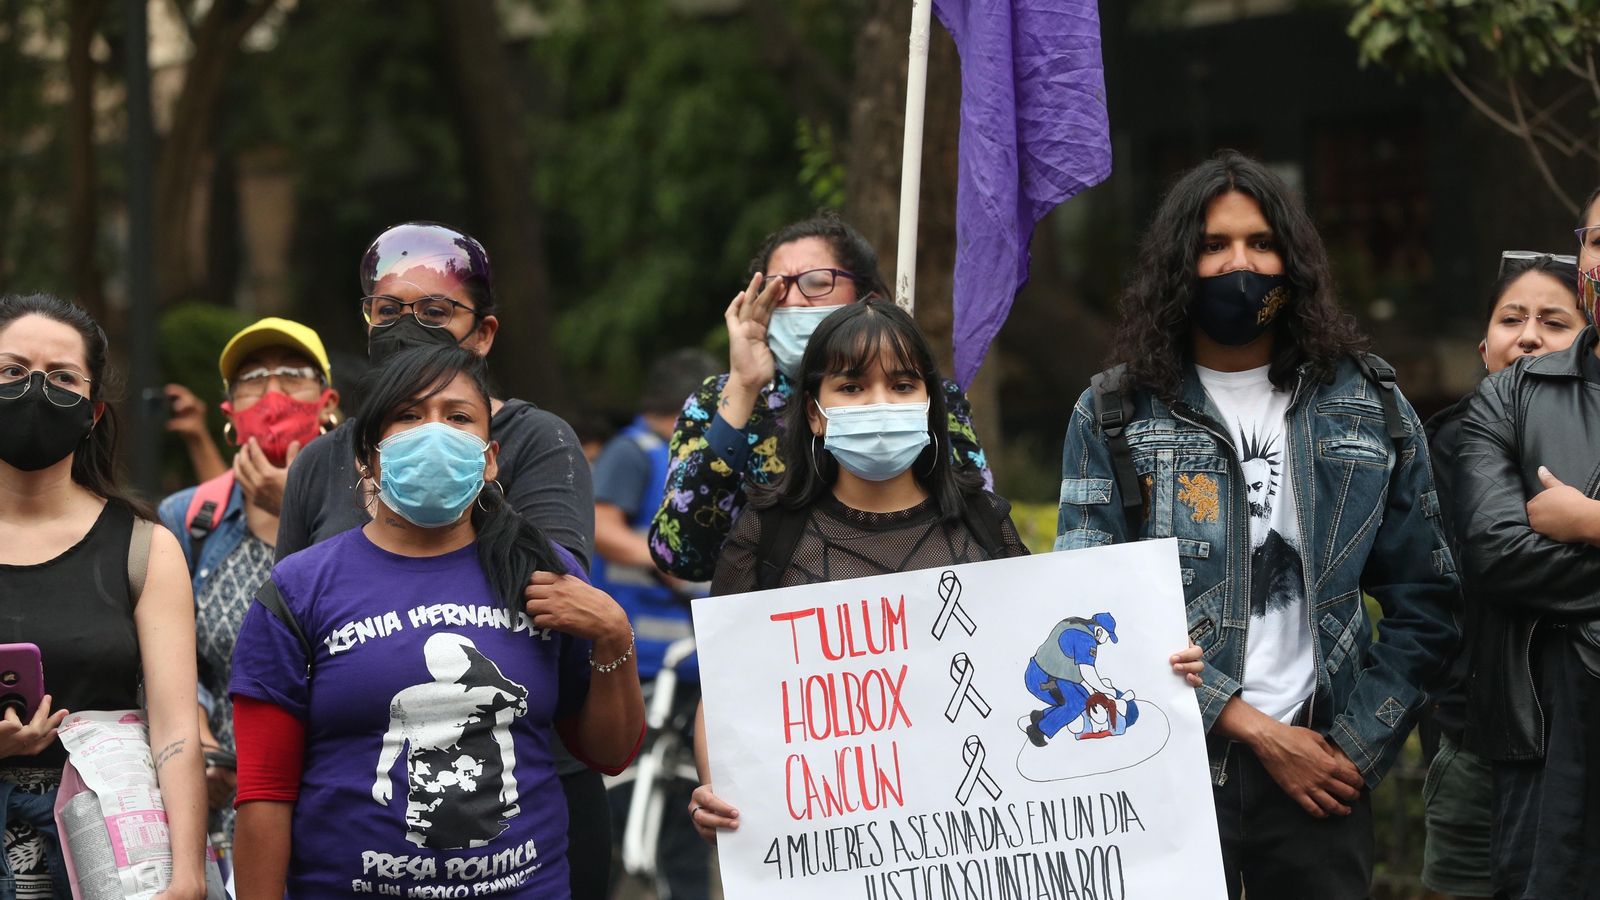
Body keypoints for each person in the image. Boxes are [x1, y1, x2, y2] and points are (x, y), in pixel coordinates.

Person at [1054, 151, 1458, 898]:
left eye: (1261, 242)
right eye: (1214, 245)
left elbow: (1427, 599)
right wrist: (1255, 730)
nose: (1240, 264)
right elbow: (1088, 609)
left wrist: (1354, 749)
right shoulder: (1113, 412)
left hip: (1323, 778)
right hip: (1164, 769)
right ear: (1179, 264)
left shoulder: (1368, 404)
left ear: (1293, 260)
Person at [684, 299, 1205, 843]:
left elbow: (1033, 654)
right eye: (852, 387)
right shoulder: (767, 536)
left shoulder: (982, 524)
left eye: (902, 385)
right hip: (834, 848)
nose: (880, 403)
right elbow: (723, 693)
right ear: (815, 412)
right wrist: (716, 790)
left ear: (929, 403)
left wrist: (1157, 664)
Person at [229, 345, 644, 899]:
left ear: (490, 458)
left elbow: (610, 754)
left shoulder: (542, 573)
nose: (434, 432)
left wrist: (614, 634)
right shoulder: (299, 590)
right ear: (367, 457)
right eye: (408, 415)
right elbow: (264, 792)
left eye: (458, 417)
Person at [272, 221, 611, 897]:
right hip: (359, 825)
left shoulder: (537, 440)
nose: (408, 327)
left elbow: (556, 594)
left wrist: (444, 491)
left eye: (434, 311)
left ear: (482, 334)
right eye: (389, 310)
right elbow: (293, 631)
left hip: (527, 801)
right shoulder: (321, 461)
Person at [647, 212, 991, 583]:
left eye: (816, 282)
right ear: (813, 412)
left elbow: (978, 525)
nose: (795, 300)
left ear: (869, 298)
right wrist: (744, 387)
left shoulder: (931, 396)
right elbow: (680, 554)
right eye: (778, 287)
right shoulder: (720, 399)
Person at [0, 293, 208, 899]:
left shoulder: (144, 549)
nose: (36, 391)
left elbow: (175, 729)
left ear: (92, 412)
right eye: (12, 371)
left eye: (62, 377)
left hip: (110, 855)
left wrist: (189, 875)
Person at [1420, 253, 1582, 900]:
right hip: (1477, 742)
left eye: (1555, 322)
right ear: (1484, 347)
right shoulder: (1446, 448)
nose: (1530, 336)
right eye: (1512, 319)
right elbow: (1475, 575)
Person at [1454, 194, 1600, 897]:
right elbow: (1497, 553)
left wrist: (1591, 522)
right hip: (1548, 740)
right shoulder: (1511, 397)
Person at [157, 318, 340, 845]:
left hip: (342, 799)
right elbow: (166, 658)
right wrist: (197, 741)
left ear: (327, 403)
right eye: (253, 379)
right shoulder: (188, 518)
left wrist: (296, 510)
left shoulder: (373, 506)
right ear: (229, 413)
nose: (273, 392)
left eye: (293, 375)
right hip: (223, 811)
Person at [590, 348, 717, 898]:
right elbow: (601, 526)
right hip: (638, 663)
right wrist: (668, 558)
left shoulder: (697, 457)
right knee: (629, 802)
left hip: (689, 662)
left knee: (685, 802)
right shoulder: (633, 451)